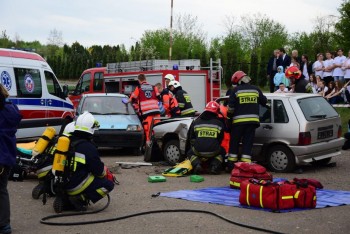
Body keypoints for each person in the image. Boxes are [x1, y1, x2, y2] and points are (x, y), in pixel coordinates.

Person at [58, 111, 114, 211]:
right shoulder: (88, 147)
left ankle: (66, 199)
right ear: (91, 129)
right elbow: (99, 171)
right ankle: (80, 198)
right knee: (109, 183)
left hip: (60, 184)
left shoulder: (66, 141)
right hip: (75, 185)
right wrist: (105, 172)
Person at [226, 71, 267, 171]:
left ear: (239, 81)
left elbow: (230, 109)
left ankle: (232, 165)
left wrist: (229, 119)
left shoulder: (235, 91)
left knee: (234, 143)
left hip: (238, 124)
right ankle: (245, 167)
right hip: (252, 123)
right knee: (247, 144)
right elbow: (264, 101)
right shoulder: (256, 90)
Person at [0, 84, 22, 234]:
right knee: (2, 190)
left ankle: (3, 225)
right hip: (6, 156)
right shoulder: (12, 108)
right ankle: (4, 224)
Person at [187, 101, 226, 175]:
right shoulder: (219, 123)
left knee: (189, 153)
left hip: (198, 151)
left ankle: (197, 164)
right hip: (214, 151)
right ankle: (214, 166)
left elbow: (191, 138)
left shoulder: (196, 122)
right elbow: (220, 139)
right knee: (222, 151)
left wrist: (197, 145)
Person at [129, 74, 161, 144]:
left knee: (148, 130)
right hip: (156, 111)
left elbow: (133, 99)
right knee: (158, 129)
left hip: (147, 113)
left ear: (139, 80)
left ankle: (148, 146)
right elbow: (159, 98)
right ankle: (159, 144)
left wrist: (127, 101)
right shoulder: (153, 87)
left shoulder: (139, 88)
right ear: (145, 79)